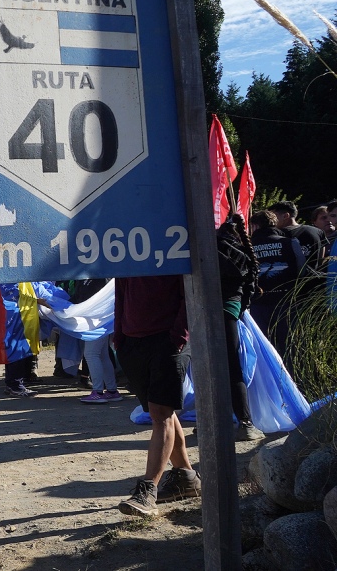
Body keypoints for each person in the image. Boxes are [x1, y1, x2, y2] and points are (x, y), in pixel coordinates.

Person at [113, 275, 198, 517]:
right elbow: (121, 289)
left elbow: (189, 291)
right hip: (132, 342)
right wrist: (119, 335)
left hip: (168, 340)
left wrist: (179, 335)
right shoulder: (126, 246)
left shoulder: (174, 241)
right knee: (161, 413)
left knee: (160, 414)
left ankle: (148, 490)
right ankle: (187, 477)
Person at [216, 215, 265, 441]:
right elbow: (249, 291)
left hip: (204, 313)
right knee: (233, 368)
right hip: (230, 313)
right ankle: (244, 422)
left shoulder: (212, 251)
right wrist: (238, 308)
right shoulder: (245, 254)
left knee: (209, 369)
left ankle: (215, 419)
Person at [250, 209, 305, 359]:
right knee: (291, 348)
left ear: (254, 226)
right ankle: (293, 380)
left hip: (259, 303)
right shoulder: (290, 243)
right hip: (287, 302)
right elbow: (302, 270)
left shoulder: (248, 246)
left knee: (264, 349)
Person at [269, 200, 327, 284]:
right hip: (314, 283)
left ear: (286, 216)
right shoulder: (317, 231)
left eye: (274, 216)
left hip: (288, 285)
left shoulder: (278, 236)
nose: (272, 220)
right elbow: (321, 258)